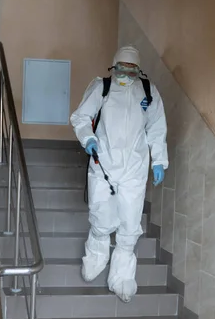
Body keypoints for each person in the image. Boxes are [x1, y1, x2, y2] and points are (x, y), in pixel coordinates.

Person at [70, 45, 169, 303]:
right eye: (121, 69)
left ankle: (122, 276)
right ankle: (96, 256)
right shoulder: (101, 87)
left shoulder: (148, 91)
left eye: (131, 69)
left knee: (130, 220)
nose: (126, 74)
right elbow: (81, 117)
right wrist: (88, 138)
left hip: (135, 167)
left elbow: (157, 128)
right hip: (103, 161)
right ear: (114, 67)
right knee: (101, 213)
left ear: (138, 70)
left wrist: (159, 160)